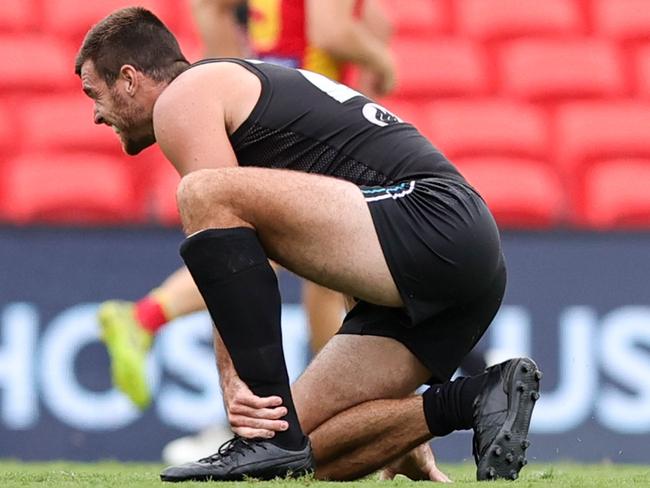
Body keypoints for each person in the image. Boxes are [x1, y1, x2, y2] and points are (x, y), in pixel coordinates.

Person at [76, 7, 541, 482]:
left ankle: (263, 440)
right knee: (304, 456)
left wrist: (235, 383)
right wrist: (400, 430)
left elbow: (228, 237)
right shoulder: (252, 94)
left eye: (95, 93)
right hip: (449, 253)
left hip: (431, 217)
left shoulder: (184, 95)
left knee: (202, 191)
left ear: (130, 78)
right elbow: (314, 238)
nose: (95, 114)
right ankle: (473, 399)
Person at [97, 0, 394, 414]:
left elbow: (212, 10)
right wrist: (383, 59)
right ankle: (342, 406)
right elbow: (332, 32)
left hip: (273, 105)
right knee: (299, 259)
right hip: (305, 124)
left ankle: (338, 406)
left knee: (311, 272)